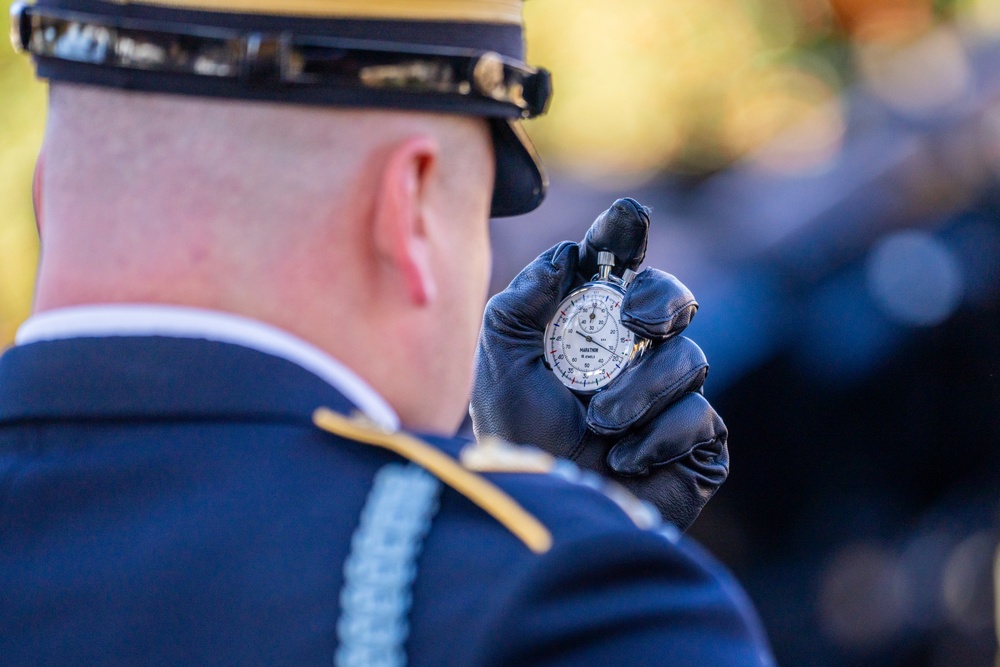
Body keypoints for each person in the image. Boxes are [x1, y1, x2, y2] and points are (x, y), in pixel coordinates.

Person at [1, 1, 774, 664]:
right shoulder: (574, 609)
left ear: (45, 196)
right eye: (479, 215)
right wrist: (535, 535)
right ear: (407, 208)